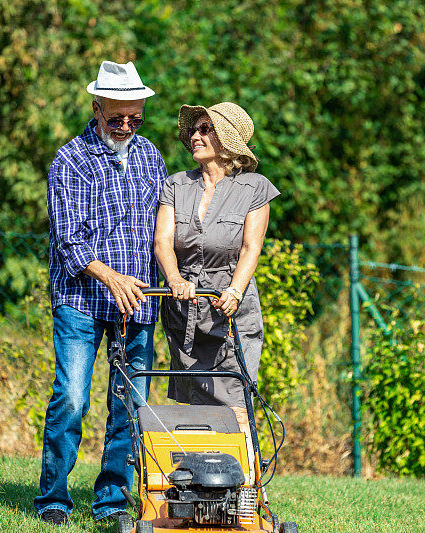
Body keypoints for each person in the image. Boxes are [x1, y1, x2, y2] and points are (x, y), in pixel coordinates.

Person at [34, 61, 167, 526]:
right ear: (97, 108)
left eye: (135, 118)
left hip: (140, 302)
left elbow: (162, 233)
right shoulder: (69, 160)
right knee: (72, 397)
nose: (126, 126)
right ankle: (53, 498)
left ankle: (111, 501)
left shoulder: (152, 157)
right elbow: (68, 240)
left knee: (129, 405)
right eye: (117, 118)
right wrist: (112, 277)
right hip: (82, 300)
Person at [153, 102, 279, 478]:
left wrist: (235, 292)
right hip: (186, 309)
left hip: (230, 312)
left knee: (234, 398)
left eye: (206, 129)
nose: (195, 135)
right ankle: (200, 484)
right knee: (195, 402)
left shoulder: (255, 188)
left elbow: (250, 249)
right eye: (194, 129)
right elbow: (163, 242)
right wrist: (175, 280)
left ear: (227, 140)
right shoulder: (177, 184)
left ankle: (247, 488)